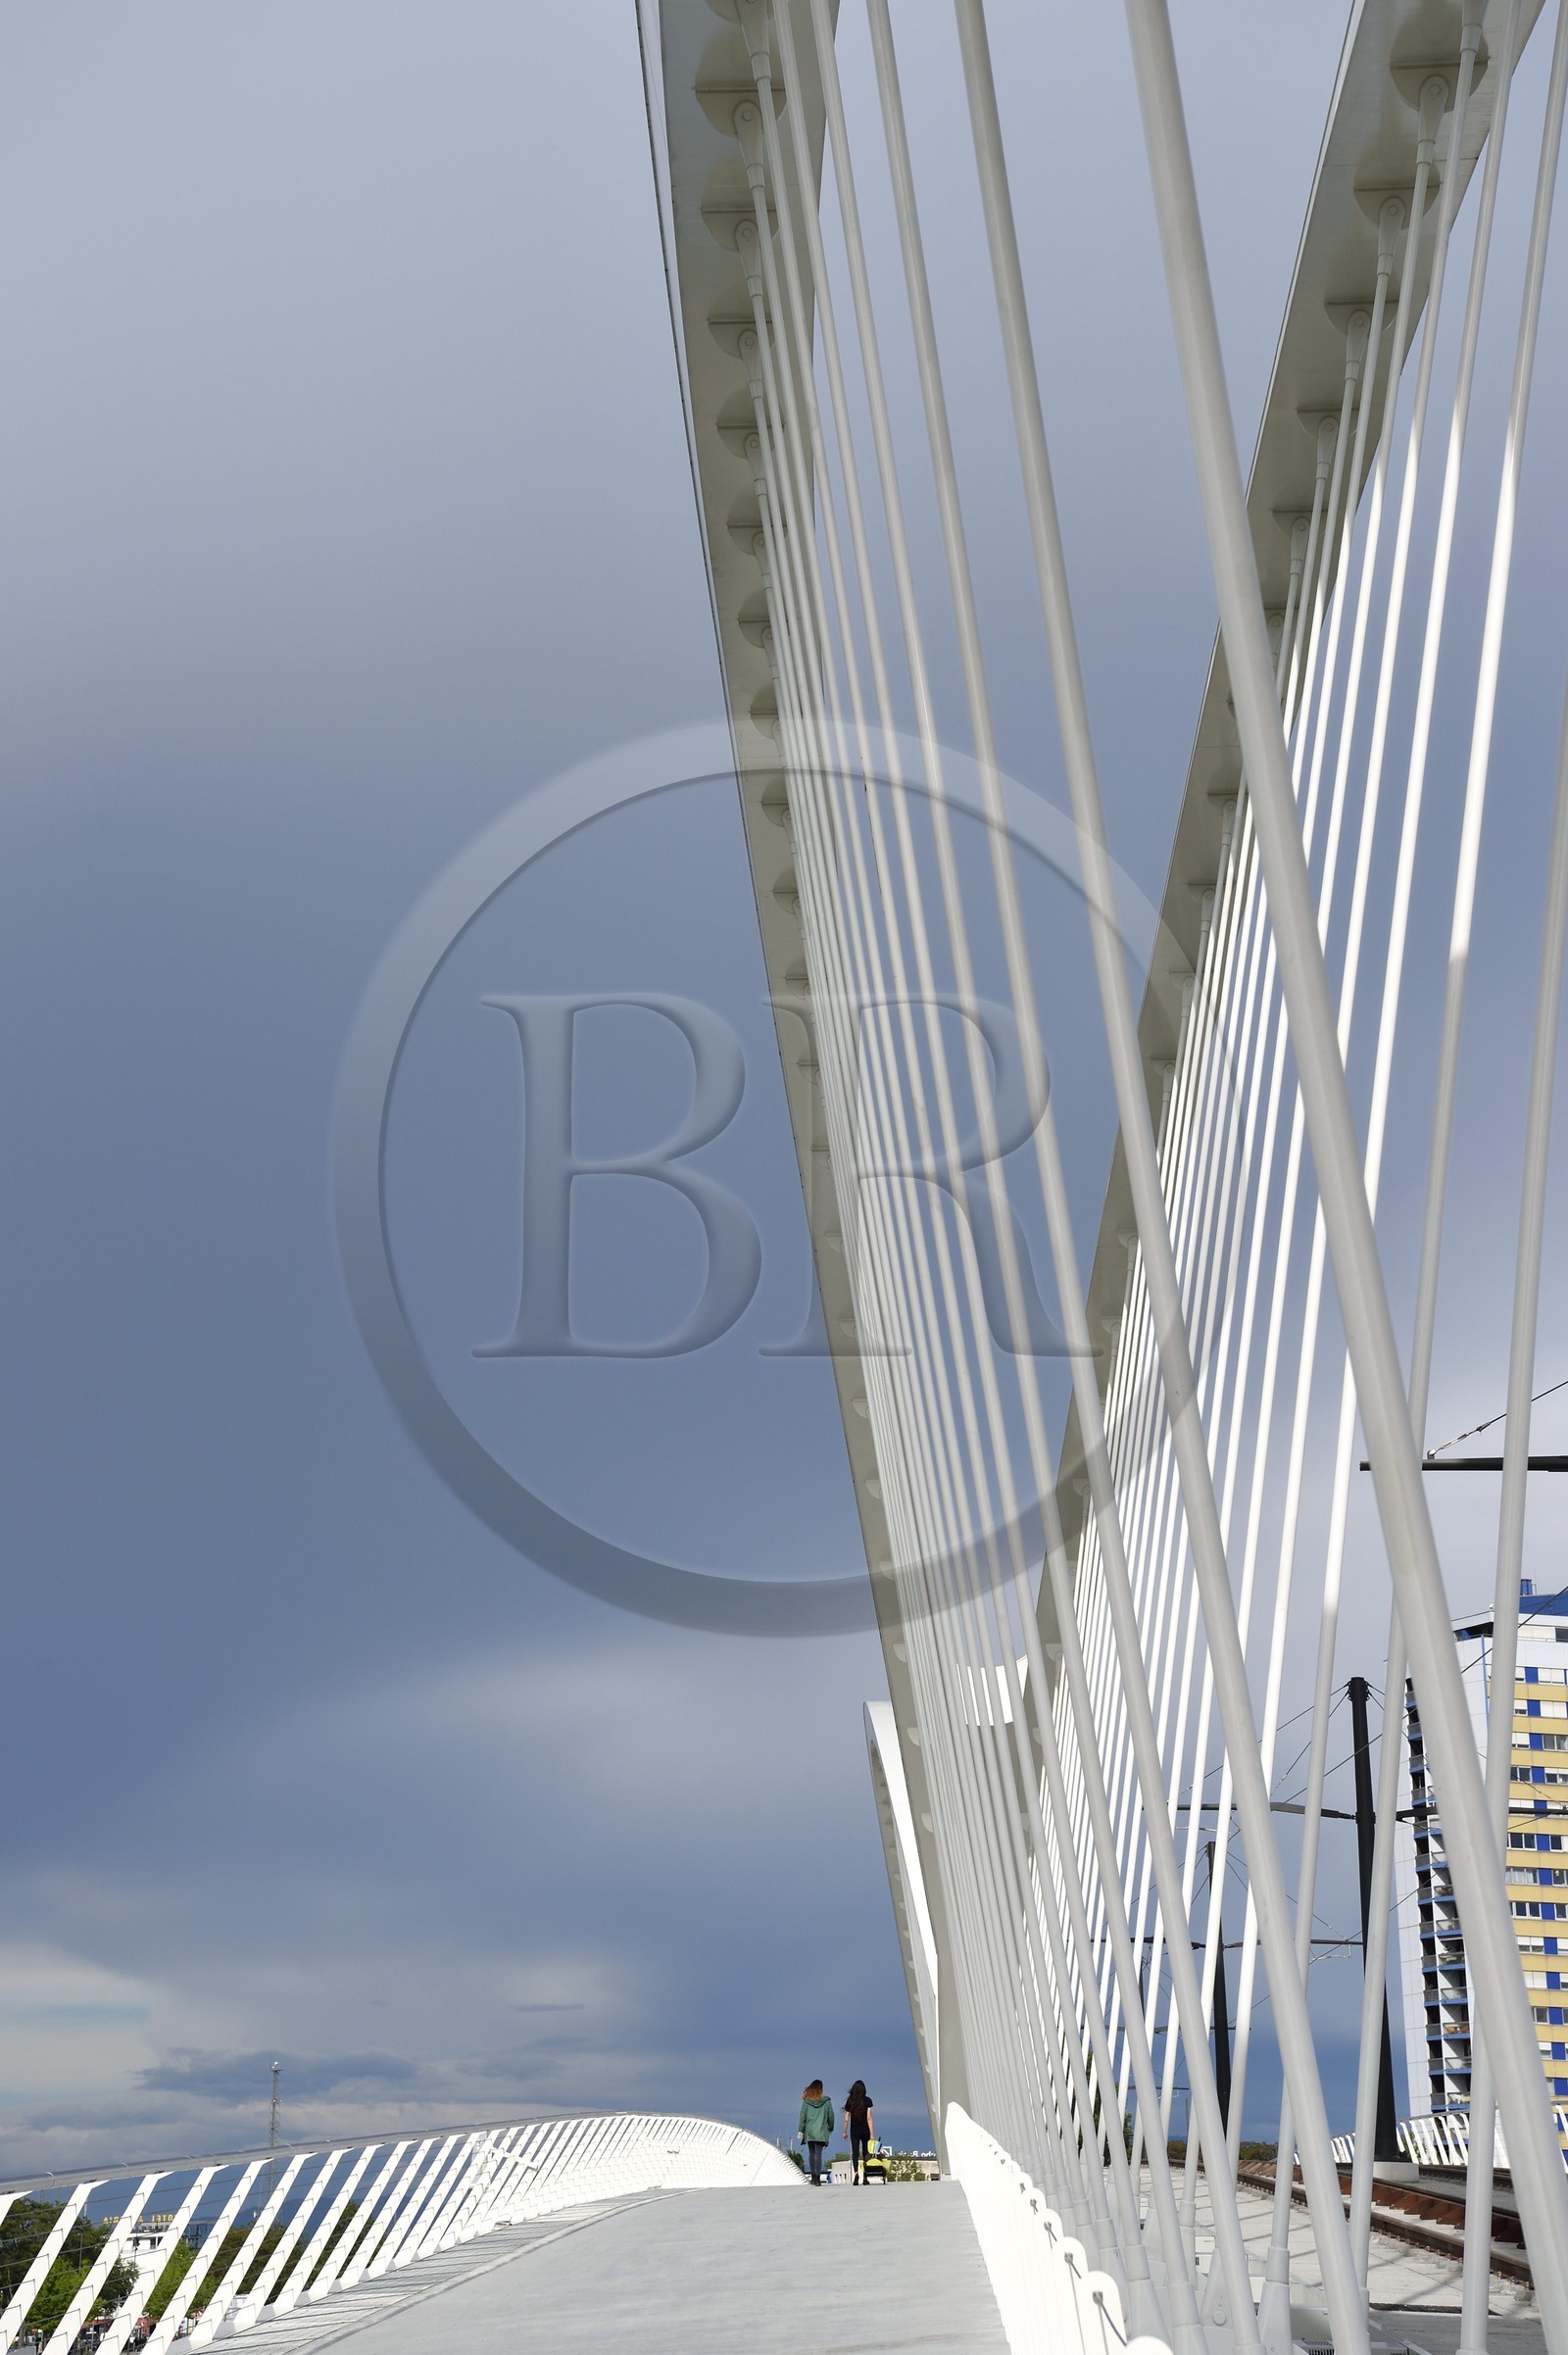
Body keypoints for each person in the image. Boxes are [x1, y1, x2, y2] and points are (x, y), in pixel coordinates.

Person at [798, 2079, 835, 2184]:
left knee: (811, 2153)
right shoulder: (827, 2102)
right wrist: (830, 2128)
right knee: (818, 2154)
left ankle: (813, 2177)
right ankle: (818, 2178)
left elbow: (802, 2116)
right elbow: (831, 2116)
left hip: (809, 2131)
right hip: (821, 2131)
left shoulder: (806, 2101)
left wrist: (801, 2130)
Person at [843, 2079, 874, 2183]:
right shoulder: (868, 2101)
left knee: (855, 2152)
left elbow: (846, 2117)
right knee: (866, 2152)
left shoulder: (850, 2101)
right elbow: (869, 2118)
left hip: (854, 2130)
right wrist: (872, 2133)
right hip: (865, 2130)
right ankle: (865, 2176)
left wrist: (844, 2131)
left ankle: (856, 2173)